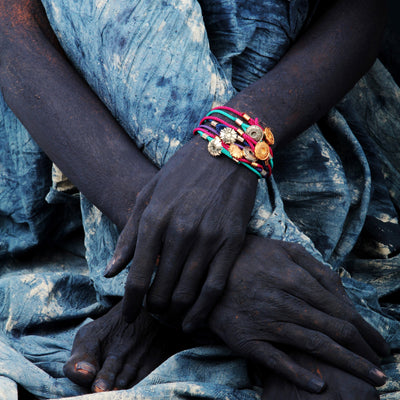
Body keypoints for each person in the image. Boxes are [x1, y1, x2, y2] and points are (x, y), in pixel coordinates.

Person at [0, 0, 399, 399]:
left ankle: (205, 288)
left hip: (285, 98)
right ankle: (275, 288)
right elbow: (10, 31)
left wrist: (237, 135)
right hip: (83, 139)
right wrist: (190, 257)